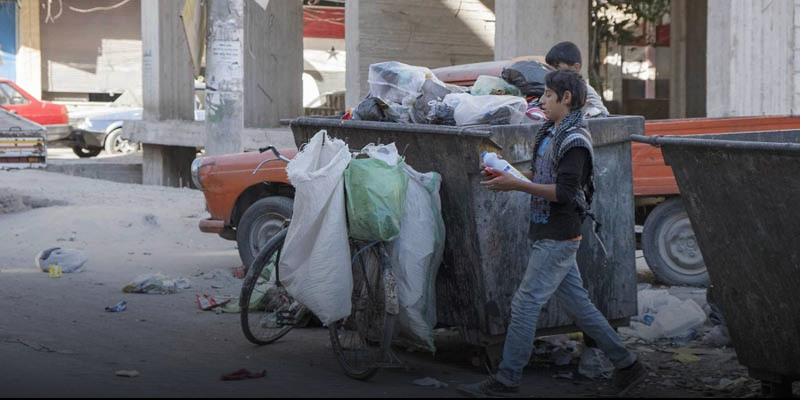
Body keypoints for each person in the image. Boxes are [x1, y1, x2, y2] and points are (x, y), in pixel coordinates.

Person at [456, 70, 646, 398]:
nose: (541, 100)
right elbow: (542, 173)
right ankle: (628, 364)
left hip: (559, 235)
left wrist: (516, 184)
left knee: (525, 304)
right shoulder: (552, 132)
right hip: (548, 232)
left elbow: (564, 192)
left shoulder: (574, 141)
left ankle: (506, 379)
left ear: (566, 98)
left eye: (546, 95)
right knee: (580, 305)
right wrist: (508, 172)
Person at [545, 41, 609, 118]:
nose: (553, 72)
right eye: (551, 68)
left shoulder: (584, 89)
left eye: (557, 67)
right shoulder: (555, 89)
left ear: (576, 68)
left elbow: (603, 116)